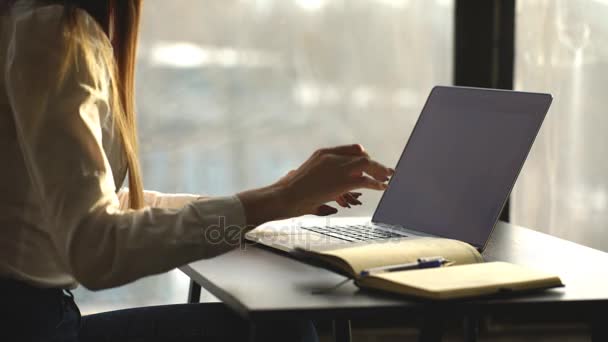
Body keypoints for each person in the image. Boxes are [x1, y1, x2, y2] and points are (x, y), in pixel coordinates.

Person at [0, 0, 394, 341]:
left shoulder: (32, 20)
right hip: (33, 326)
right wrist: (274, 200)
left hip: (37, 319)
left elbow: (92, 207)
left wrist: (276, 200)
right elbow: (96, 247)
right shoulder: (56, 33)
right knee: (284, 332)